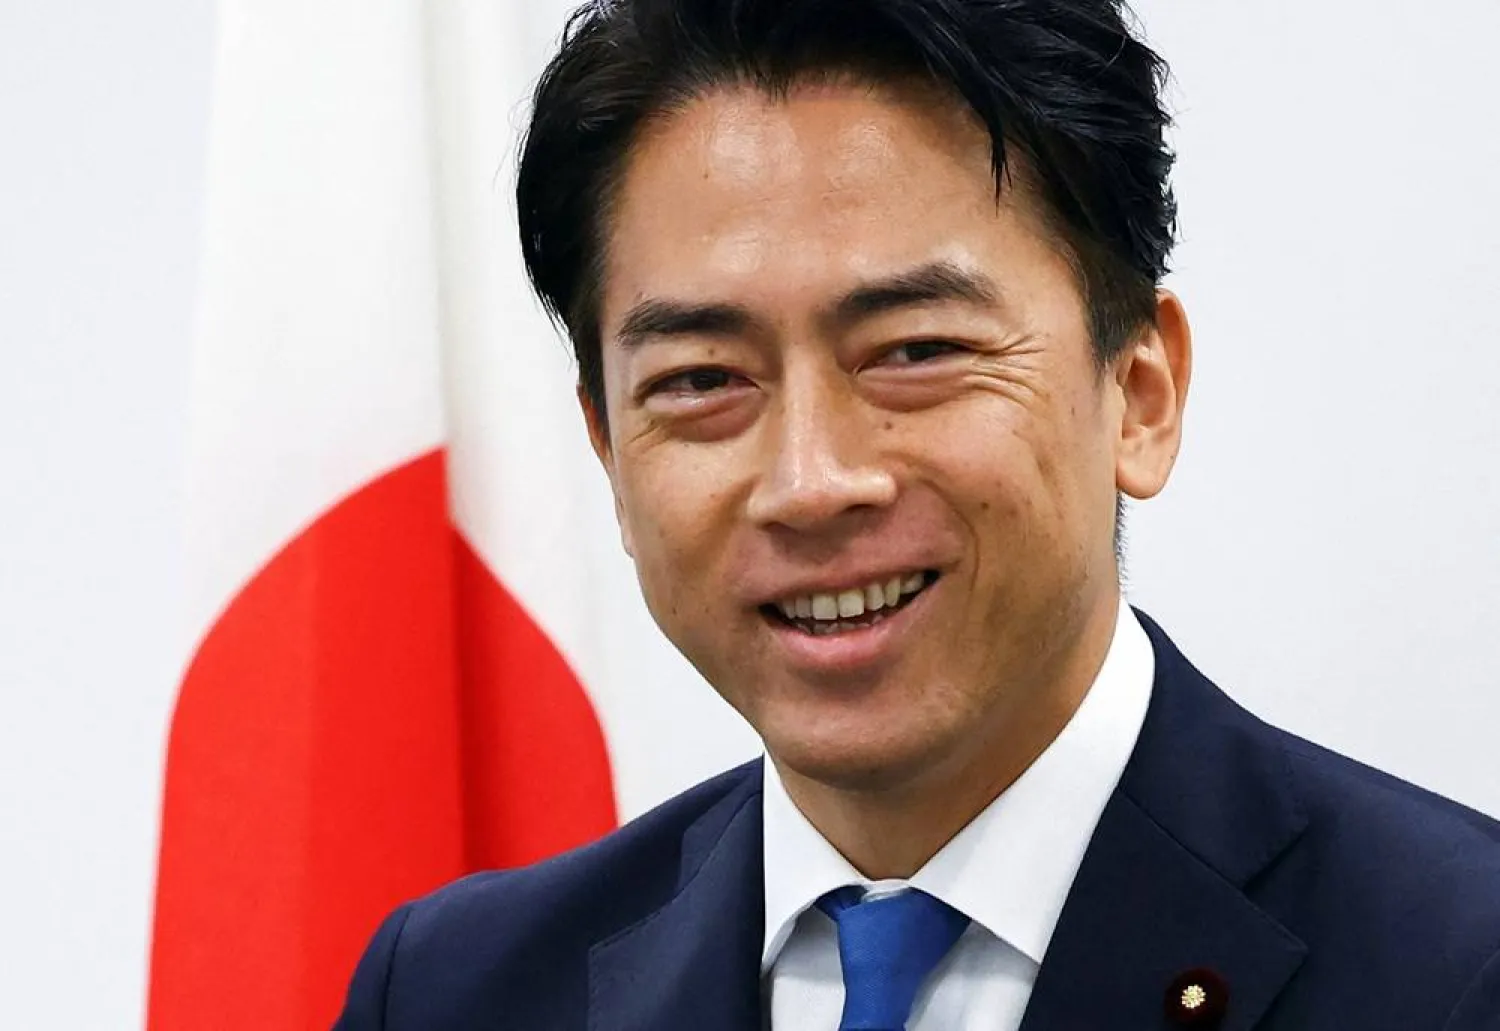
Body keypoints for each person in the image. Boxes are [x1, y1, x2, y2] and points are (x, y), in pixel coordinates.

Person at [335, 0, 1500, 1027]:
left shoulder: (1458, 962)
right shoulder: (455, 988)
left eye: (915, 352)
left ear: (1140, 391)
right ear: (608, 444)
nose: (809, 479)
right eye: (700, 379)